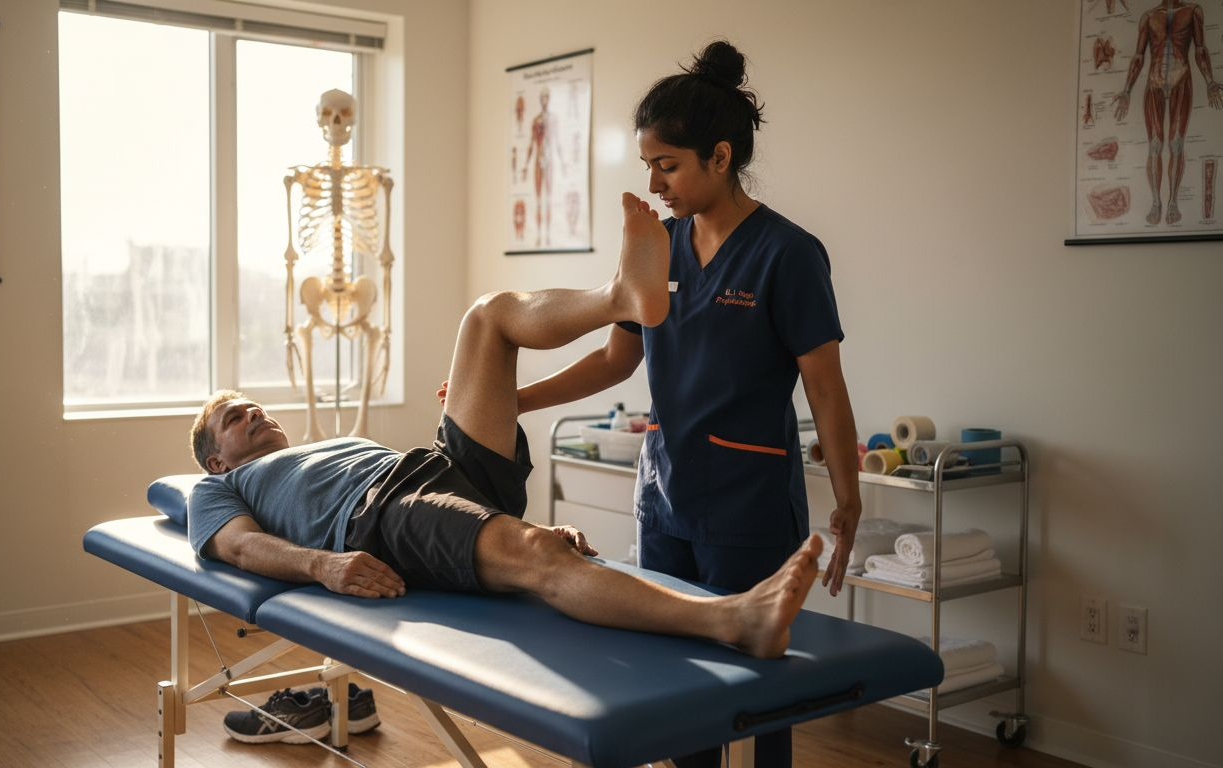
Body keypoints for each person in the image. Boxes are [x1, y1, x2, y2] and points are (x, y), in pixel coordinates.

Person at [191, 192, 820, 669]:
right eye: (232, 420)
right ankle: (734, 618)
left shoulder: (321, 448)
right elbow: (243, 550)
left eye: (251, 405)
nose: (252, 415)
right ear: (216, 460)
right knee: (542, 554)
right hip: (383, 513)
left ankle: (621, 297)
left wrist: (502, 413)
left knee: (488, 316)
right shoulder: (220, 490)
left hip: (429, 463)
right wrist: (324, 565)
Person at [510, 41, 862, 768]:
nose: (654, 182)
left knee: (759, 671)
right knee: (677, 669)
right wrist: (514, 397)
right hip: (665, 494)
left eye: (667, 165)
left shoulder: (788, 254)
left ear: (721, 156)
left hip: (749, 500)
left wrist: (849, 500)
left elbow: (825, 385)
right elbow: (617, 358)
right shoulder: (657, 248)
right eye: (648, 165)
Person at [1111, 0, 1223, 226]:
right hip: (1154, 82)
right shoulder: (1149, 16)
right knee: (1154, 145)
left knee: (1177, 144)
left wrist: (1210, 81)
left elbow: (1200, 48)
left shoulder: (1192, 10)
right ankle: (1155, 202)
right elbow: (1139, 56)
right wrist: (1127, 90)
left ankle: (1172, 201)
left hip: (1181, 79)